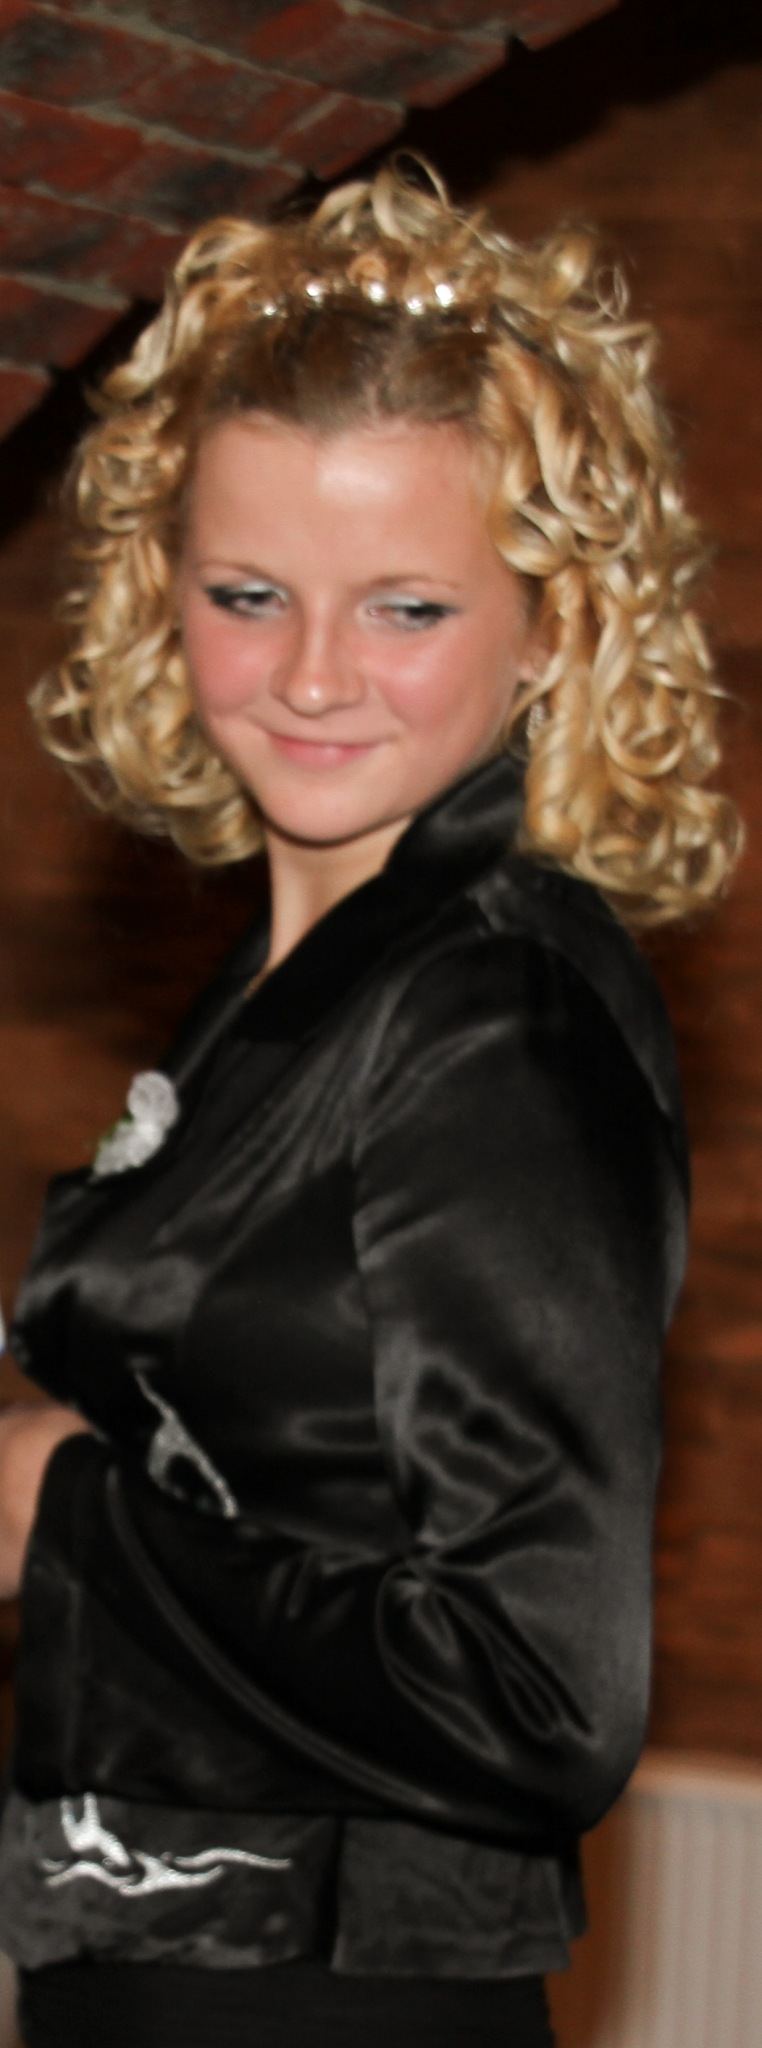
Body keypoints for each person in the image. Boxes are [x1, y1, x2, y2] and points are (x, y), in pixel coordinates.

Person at [0, 158, 738, 2048]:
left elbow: (531, 1692)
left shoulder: (493, 1012)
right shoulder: (295, 982)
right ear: (163, 596)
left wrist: (61, 1516)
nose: (313, 678)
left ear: (551, 627)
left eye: (406, 607)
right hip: (167, 1957)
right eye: (248, 595)